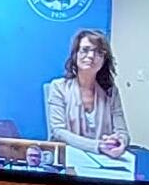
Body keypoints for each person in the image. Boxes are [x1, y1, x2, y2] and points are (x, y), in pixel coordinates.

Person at [43, 28, 131, 157]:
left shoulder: (111, 91)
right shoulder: (58, 87)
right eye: (85, 50)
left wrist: (119, 141)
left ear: (104, 60)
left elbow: (122, 132)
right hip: (69, 157)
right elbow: (58, 131)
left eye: (99, 52)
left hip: (105, 159)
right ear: (75, 55)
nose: (91, 56)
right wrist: (97, 146)